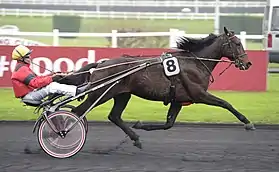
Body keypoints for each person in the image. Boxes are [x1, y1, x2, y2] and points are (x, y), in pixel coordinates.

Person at [10, 45, 87, 105]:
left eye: (29, 55)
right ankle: (77, 91)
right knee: (52, 86)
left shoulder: (23, 67)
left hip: (32, 93)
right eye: (27, 56)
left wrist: (53, 75)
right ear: (21, 59)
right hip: (30, 97)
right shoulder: (21, 70)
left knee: (53, 84)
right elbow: (35, 83)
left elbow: (38, 78)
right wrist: (52, 78)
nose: (30, 57)